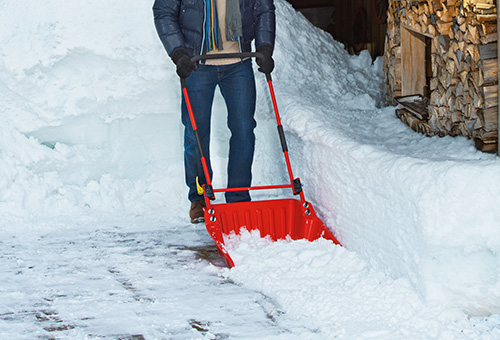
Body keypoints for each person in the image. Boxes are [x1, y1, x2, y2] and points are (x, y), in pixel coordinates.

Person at [153, 0, 276, 223]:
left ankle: (238, 198)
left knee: (244, 130)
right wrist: (178, 52)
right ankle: (200, 198)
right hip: (197, 63)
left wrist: (265, 47)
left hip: (239, 61)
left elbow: (264, 8)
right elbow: (163, 11)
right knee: (196, 133)